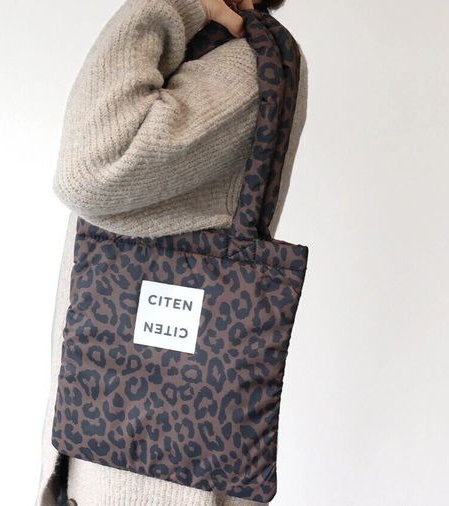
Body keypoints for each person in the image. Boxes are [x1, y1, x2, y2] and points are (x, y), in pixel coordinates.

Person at [37, 0, 307, 504]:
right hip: (104, 446)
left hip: (147, 481)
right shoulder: (206, 49)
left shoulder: (245, 65)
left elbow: (89, 171)